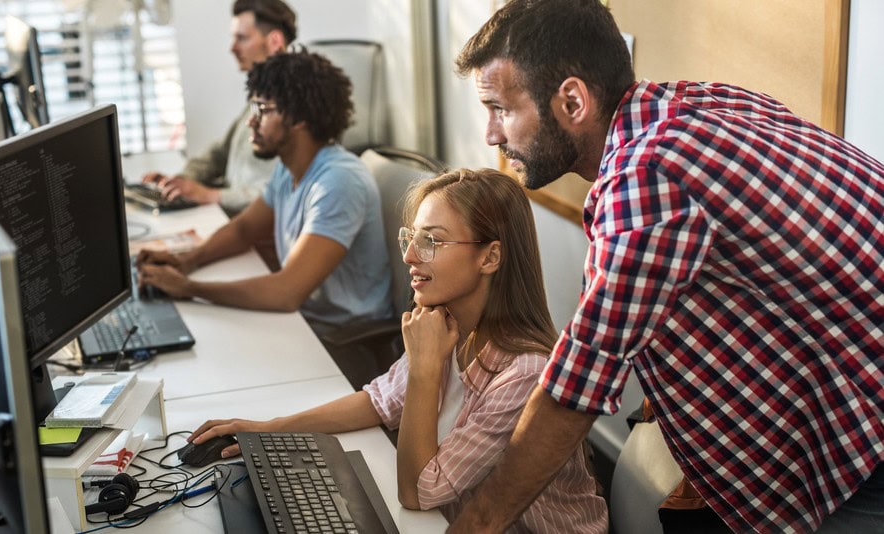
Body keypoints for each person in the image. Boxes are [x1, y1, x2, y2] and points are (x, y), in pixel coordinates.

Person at [448, 0, 884, 533]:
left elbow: (575, 388)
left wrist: (475, 524)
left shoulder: (646, 176)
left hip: (865, 442)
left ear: (572, 100)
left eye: (501, 108)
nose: (492, 134)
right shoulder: (690, 102)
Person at [188, 168, 609, 533]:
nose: (409, 255)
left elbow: (418, 491)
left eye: (432, 241)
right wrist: (269, 429)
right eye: (411, 237)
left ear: (490, 257)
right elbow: (379, 401)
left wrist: (427, 368)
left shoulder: (523, 372)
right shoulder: (448, 323)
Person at [137, 49, 392, 332]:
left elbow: (286, 292)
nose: (251, 121)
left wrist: (189, 288)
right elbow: (244, 229)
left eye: (263, 109)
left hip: (343, 339)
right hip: (305, 323)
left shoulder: (339, 181)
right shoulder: (289, 167)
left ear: (299, 118)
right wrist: (185, 261)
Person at [140, 0, 296, 216]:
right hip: (235, 218)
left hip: (258, 226)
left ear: (275, 41)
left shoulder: (295, 102)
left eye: (242, 38)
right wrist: (182, 180)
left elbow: (282, 189)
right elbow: (221, 151)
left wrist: (210, 195)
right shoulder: (259, 93)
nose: (232, 48)